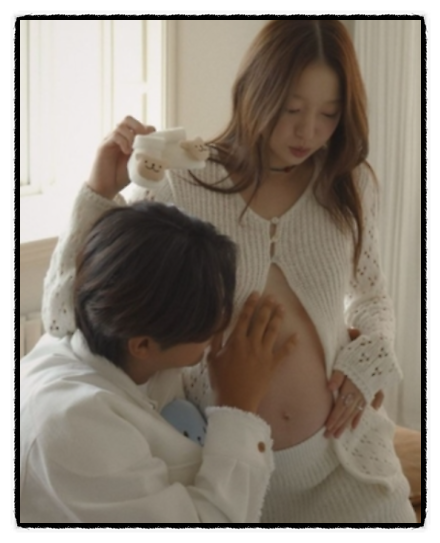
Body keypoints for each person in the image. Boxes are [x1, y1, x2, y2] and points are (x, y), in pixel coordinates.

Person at [41, 20, 416, 523]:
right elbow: (64, 316)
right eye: (292, 110)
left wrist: (371, 354)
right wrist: (95, 195)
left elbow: (371, 297)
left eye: (329, 114)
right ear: (255, 91)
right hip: (232, 473)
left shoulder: (347, 184)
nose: (308, 132)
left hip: (345, 464)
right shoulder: (181, 181)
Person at [20, 180, 297, 523]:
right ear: (143, 345)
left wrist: (100, 188)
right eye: (207, 328)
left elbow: (67, 274)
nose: (219, 334)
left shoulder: (94, 322)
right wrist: (238, 406)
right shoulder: (77, 425)